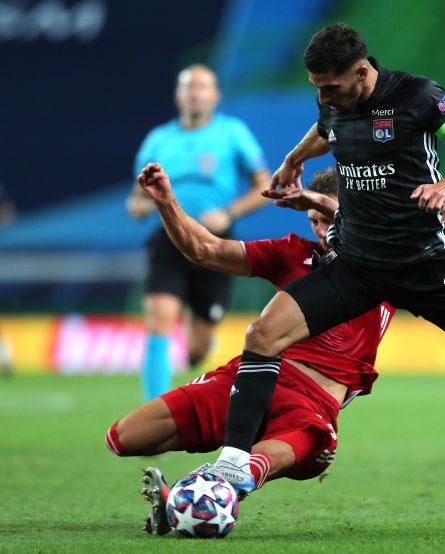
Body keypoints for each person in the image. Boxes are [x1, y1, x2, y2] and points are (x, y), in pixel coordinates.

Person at [184, 23, 445, 496]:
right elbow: (325, 129)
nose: (325, 96)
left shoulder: (420, 96)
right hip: (355, 262)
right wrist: (294, 158)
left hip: (421, 261)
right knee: (263, 335)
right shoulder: (332, 101)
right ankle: (232, 464)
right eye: (318, 88)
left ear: (361, 71)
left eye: (332, 86)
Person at [107, 166, 394, 535]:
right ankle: (201, 492)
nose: (322, 231)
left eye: (328, 218)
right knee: (123, 438)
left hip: (310, 406)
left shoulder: (387, 264)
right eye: (313, 222)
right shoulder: (293, 254)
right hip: (251, 379)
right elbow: (205, 249)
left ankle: (205, 489)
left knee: (258, 463)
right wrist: (167, 203)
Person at [126, 64, 271, 402]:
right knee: (159, 321)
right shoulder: (159, 139)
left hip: (215, 244)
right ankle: (153, 412)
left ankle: (199, 341)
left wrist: (228, 212)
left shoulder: (232, 133)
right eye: (188, 87)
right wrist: (138, 205)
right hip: (169, 239)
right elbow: (136, 194)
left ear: (215, 95)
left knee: (198, 347)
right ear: (178, 95)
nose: (194, 92)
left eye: (202, 87)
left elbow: (262, 184)